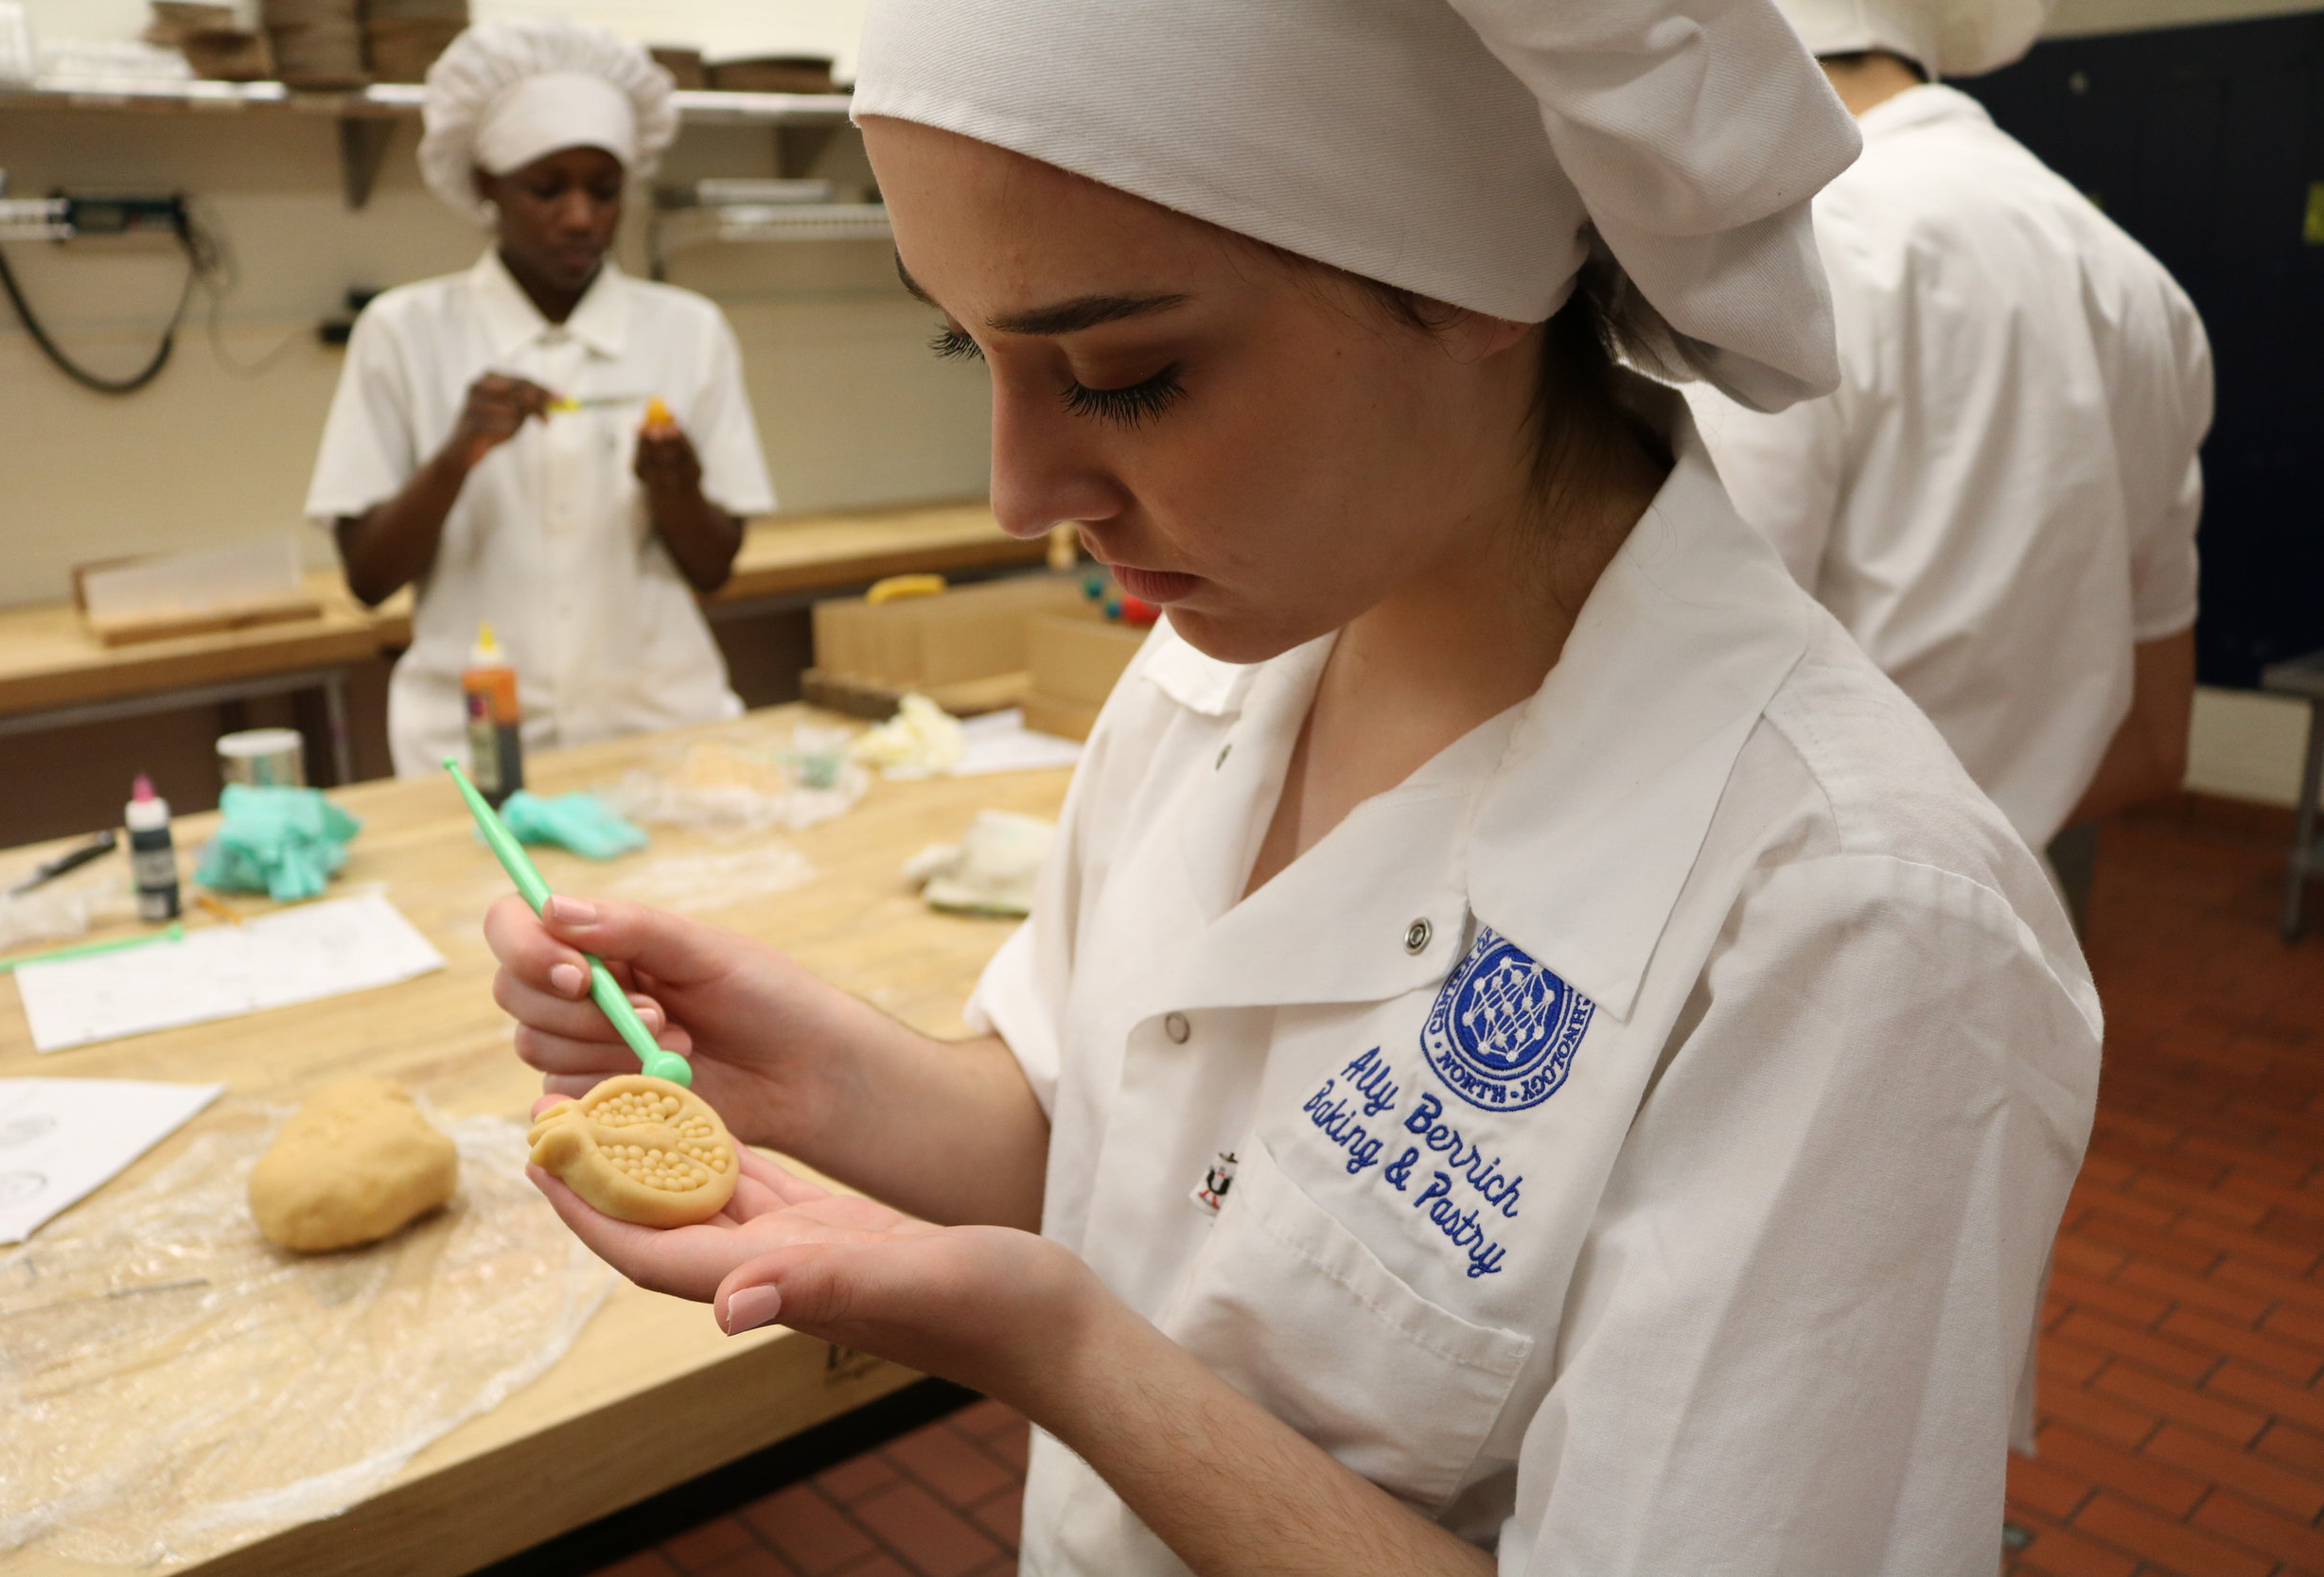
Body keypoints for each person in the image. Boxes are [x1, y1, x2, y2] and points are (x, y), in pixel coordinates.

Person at [484, 1, 2102, 1569]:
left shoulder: (1854, 916)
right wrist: (807, 1070)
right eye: (958, 340)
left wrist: (1071, 1355)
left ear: (1474, 282)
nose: (1015, 492)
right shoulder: (1225, 659)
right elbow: (1119, 1140)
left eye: (1121, 373)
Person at [1687, 0, 2214, 929]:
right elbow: (2155, 738)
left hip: (1774, 947)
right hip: (2017, 925)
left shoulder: (1784, 253)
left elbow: (1691, 711)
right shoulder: (2144, 292)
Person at [306, 18, 777, 780]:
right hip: (479, 754)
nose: (581, 217)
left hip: (658, 736)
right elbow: (367, 578)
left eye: (605, 189)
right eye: (546, 188)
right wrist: (458, 456)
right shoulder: (404, 332)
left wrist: (675, 487)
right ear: (488, 182)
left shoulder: (689, 332)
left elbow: (714, 568)